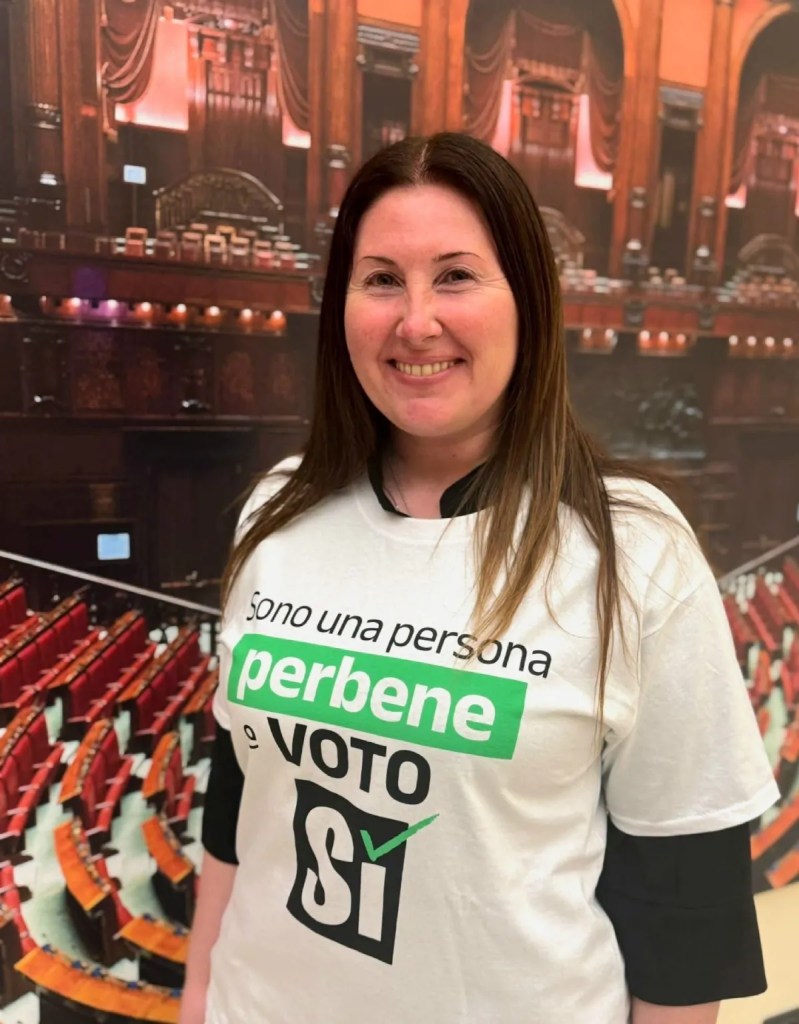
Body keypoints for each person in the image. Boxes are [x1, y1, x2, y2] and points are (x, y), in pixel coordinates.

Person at [180, 132, 778, 1024]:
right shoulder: (278, 511)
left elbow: (685, 912)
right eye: (381, 279)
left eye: (455, 276)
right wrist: (198, 995)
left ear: (528, 302)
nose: (415, 321)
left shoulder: (632, 549)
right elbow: (240, 800)